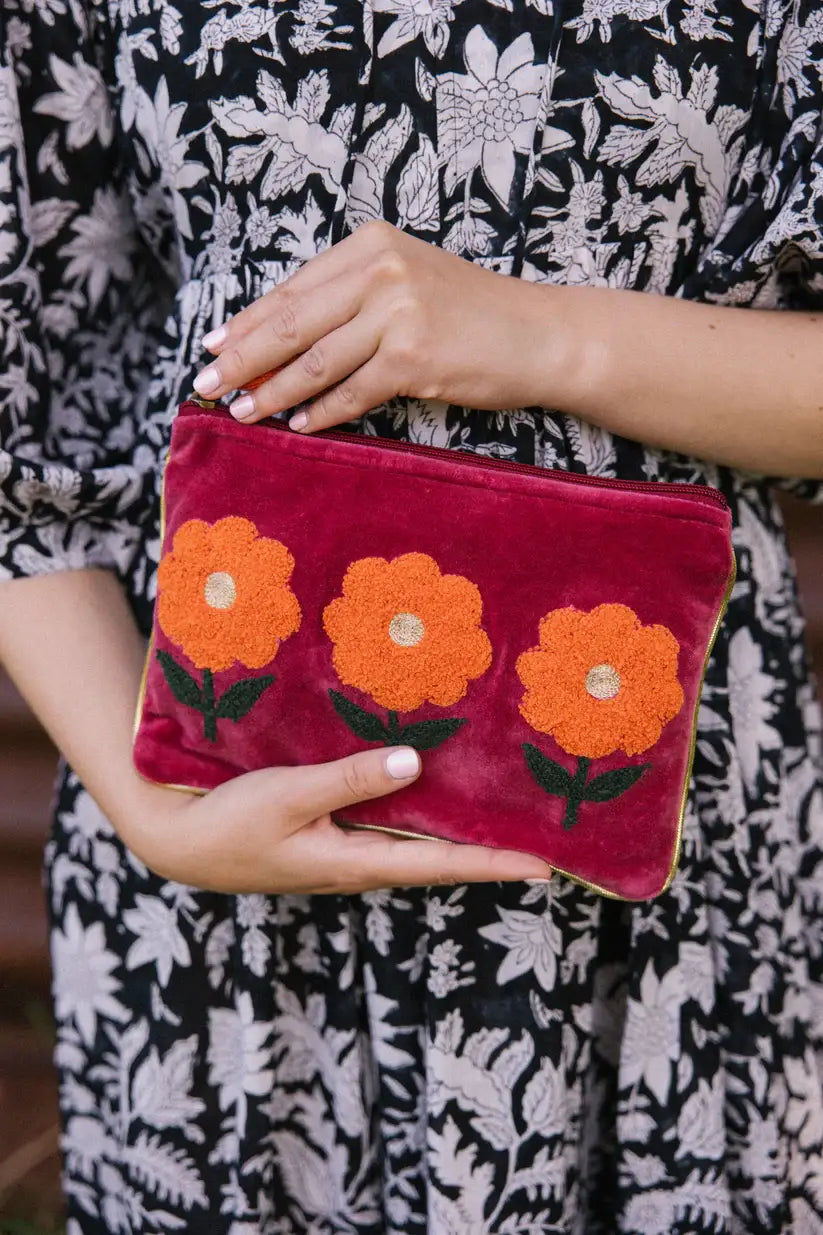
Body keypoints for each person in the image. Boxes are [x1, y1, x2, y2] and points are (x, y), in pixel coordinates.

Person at [1, 0, 822, 1231]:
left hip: (665, 900)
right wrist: (154, 814)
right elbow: (22, 405)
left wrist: (543, 333)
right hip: (220, 894)